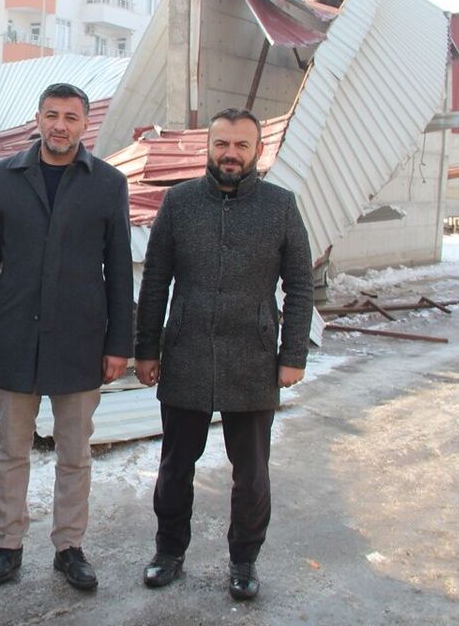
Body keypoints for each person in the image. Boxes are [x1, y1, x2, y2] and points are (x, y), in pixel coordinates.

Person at [134, 107, 313, 600]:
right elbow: (155, 281)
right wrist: (146, 348)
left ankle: (244, 560)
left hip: (253, 358)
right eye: (221, 144)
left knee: (251, 473)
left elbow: (300, 285)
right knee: (175, 466)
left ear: (258, 151)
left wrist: (293, 353)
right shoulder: (179, 202)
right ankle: (168, 552)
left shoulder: (280, 206)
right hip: (187, 352)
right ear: (208, 147)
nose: (230, 154)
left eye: (240, 145)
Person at [0, 82, 134, 591]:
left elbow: (119, 269)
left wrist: (119, 343)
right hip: (16, 333)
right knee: (11, 449)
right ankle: (7, 545)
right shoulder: (5, 176)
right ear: (38, 119)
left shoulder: (107, 183)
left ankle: (69, 547)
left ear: (85, 125)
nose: (60, 125)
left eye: (71, 117)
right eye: (52, 115)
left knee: (74, 453)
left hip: (80, 339)